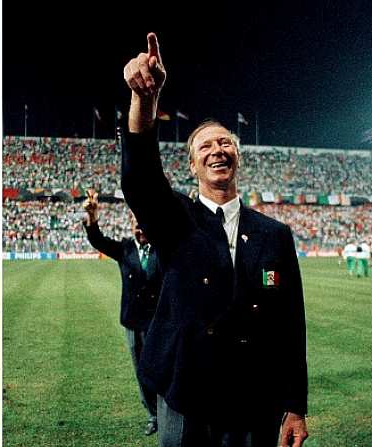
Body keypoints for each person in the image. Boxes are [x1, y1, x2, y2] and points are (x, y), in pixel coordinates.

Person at [120, 33, 308, 446]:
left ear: (238, 155)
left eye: (225, 142)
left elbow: (290, 324)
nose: (217, 150)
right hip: (187, 391)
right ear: (192, 165)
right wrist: (144, 102)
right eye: (205, 145)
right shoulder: (176, 219)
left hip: (253, 395)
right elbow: (139, 180)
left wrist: (295, 405)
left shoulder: (275, 235)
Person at [82, 189, 161, 436]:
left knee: (162, 368)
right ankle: (153, 416)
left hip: (159, 323)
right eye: (137, 226)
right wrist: (93, 219)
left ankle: (170, 415)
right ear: (131, 226)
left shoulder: (164, 249)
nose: (141, 231)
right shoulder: (125, 249)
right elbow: (99, 241)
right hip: (133, 323)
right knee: (142, 372)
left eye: (145, 226)